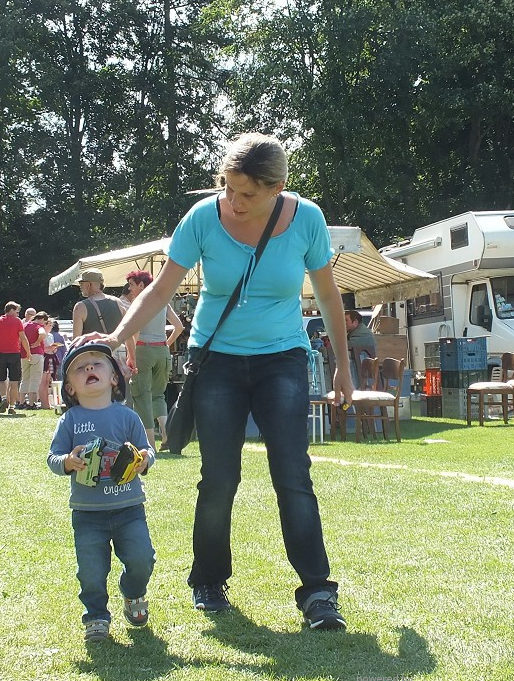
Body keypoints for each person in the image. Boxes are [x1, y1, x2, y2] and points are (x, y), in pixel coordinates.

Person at [98, 132, 354, 630]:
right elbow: (161, 290)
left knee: (293, 475)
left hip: (282, 358)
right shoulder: (201, 219)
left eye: (247, 194)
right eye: (227, 188)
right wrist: (118, 336)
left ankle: (318, 593)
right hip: (215, 361)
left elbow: (328, 298)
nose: (233, 203)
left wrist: (343, 365)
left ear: (278, 187)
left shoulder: (308, 219)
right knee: (219, 478)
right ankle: (209, 579)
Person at [47, 336, 156, 643]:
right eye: (80, 367)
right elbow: (53, 458)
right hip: (88, 514)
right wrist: (68, 461)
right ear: (70, 388)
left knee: (141, 558)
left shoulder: (127, 417)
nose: (90, 367)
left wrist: (143, 460)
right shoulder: (70, 420)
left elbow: (148, 451)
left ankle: (133, 592)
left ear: (114, 378)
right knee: (91, 571)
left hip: (129, 508)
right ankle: (95, 616)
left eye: (97, 363)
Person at [124, 270, 185, 448]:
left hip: (144, 349)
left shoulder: (138, 303)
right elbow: (179, 327)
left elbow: (131, 332)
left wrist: (132, 356)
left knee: (142, 396)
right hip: (162, 352)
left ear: (141, 285)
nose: (130, 289)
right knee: (158, 396)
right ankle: (166, 436)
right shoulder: (163, 301)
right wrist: (166, 343)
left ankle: (149, 443)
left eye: (132, 285)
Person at [0, 301, 31, 416]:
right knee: (14, 381)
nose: (18, 314)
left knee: (1, 379)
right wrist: (28, 352)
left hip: (0, 354)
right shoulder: (17, 321)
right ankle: (12, 406)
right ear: (12, 310)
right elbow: (23, 338)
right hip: (14, 353)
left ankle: (3, 398)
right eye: (17, 312)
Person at [20, 311, 46, 409]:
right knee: (35, 379)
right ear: (42, 319)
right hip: (36, 353)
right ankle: (31, 403)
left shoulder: (24, 325)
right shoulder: (38, 326)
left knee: (25, 379)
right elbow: (42, 334)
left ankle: (21, 402)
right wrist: (37, 342)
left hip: (24, 354)